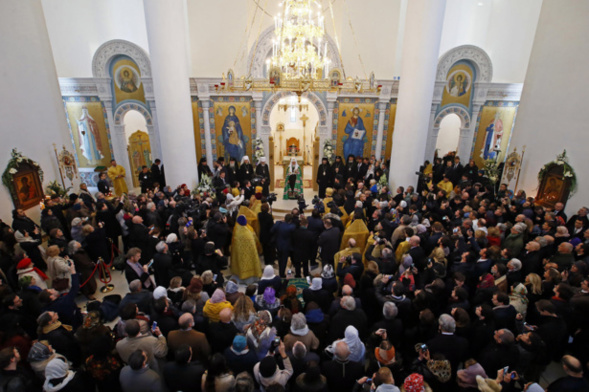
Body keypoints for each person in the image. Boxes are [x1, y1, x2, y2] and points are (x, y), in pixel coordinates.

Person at [230, 215, 262, 280]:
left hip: (240, 252)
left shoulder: (236, 231)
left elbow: (233, 243)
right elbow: (255, 238)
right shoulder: (250, 230)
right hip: (250, 251)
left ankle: (241, 274)